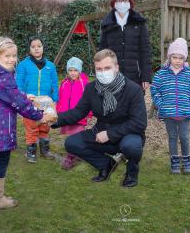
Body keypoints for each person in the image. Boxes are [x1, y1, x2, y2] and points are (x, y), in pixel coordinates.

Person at [52, 49, 147, 188]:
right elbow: (78, 112)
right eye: (99, 69)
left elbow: (139, 123)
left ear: (116, 67)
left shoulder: (133, 89)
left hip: (127, 133)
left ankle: (131, 173)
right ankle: (106, 165)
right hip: (100, 130)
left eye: (107, 68)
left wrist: (110, 134)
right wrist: (53, 119)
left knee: (131, 146)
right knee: (71, 143)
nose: (103, 72)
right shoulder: (91, 88)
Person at [0, 36, 52, 211]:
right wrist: (39, 115)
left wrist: (24, 96)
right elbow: (18, 102)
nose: (12, 59)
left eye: (14, 55)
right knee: (1, 159)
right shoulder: (2, 77)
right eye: (7, 56)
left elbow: (9, 96)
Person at [150, 38, 190, 174]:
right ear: (169, 57)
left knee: (184, 137)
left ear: (184, 58)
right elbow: (154, 90)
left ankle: (187, 162)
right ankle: (175, 163)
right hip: (168, 114)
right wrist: (161, 105)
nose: (177, 60)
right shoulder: (161, 74)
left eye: (180, 58)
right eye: (174, 57)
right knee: (172, 138)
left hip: (184, 114)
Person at [16, 36, 59, 163]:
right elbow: (18, 83)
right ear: (29, 49)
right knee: (31, 126)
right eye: (33, 46)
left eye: (39, 46)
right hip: (30, 102)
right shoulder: (23, 65)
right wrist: (24, 96)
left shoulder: (50, 66)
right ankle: (31, 152)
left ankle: (45, 151)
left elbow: (54, 84)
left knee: (44, 125)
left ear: (43, 48)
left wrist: (55, 99)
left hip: (46, 103)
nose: (36, 49)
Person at [99, 0, 152, 90]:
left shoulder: (138, 22)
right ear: (114, 3)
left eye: (125, 0)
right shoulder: (107, 24)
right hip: (113, 75)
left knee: (134, 104)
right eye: (119, 1)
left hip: (135, 76)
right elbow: (102, 52)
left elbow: (145, 51)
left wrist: (146, 76)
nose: (122, 3)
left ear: (130, 3)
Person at [56, 57, 92, 170]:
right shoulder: (64, 83)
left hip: (79, 116)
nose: (72, 73)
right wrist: (58, 111)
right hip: (67, 116)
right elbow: (60, 99)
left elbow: (90, 100)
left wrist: (89, 114)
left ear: (79, 71)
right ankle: (78, 152)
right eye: (70, 70)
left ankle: (70, 158)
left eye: (75, 70)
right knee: (71, 136)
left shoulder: (84, 84)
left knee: (75, 136)